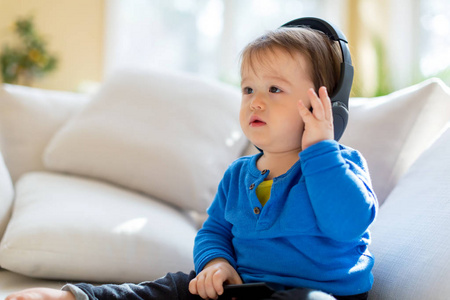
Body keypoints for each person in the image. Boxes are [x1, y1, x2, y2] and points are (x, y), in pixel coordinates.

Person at [6, 22, 377, 300]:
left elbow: (348, 223)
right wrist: (216, 263)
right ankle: (79, 297)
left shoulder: (338, 165)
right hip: (241, 288)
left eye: (274, 89)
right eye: (248, 89)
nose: (255, 101)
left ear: (326, 106)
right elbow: (214, 231)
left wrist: (319, 151)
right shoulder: (237, 176)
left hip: (314, 293)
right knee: (173, 287)